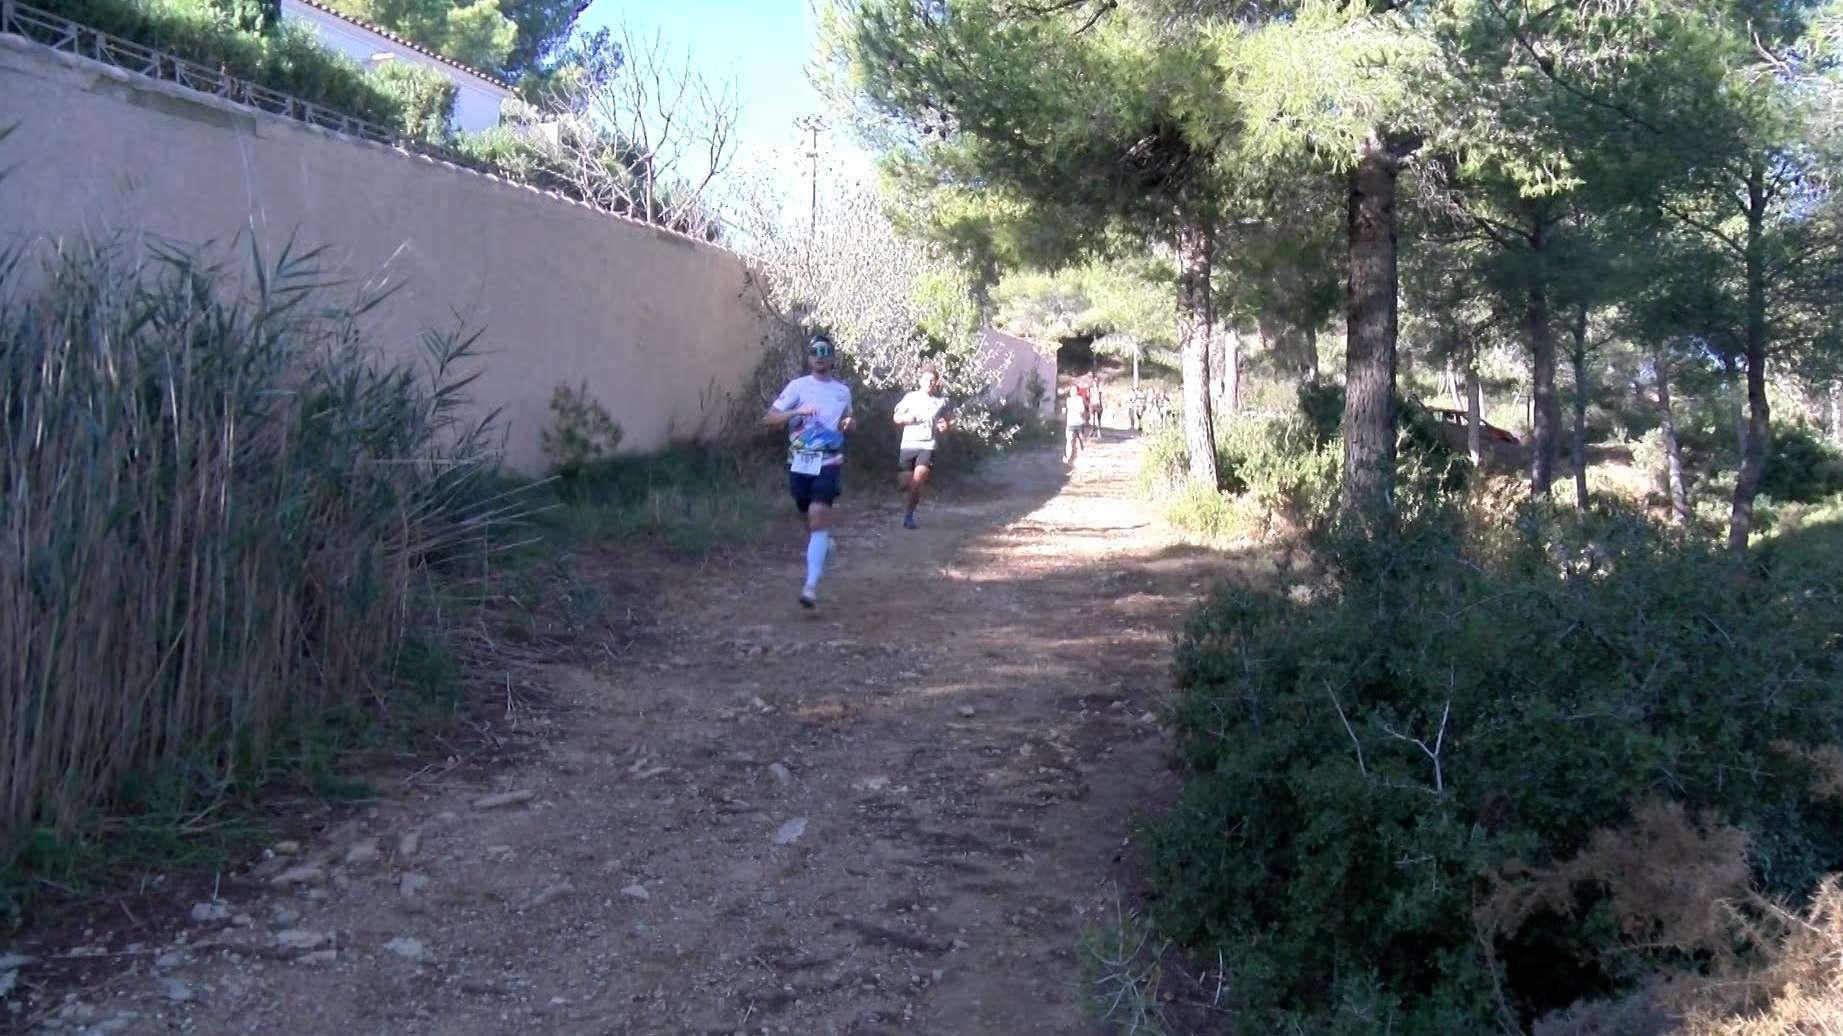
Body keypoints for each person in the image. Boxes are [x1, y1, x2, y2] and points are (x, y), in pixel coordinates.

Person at [763, 334, 854, 609]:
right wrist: (796, 412)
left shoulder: (842, 391)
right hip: (800, 462)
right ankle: (823, 544)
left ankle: (810, 586)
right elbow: (769, 419)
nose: (820, 356)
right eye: (815, 351)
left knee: (817, 516)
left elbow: (849, 417)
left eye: (826, 352)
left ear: (833, 358)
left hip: (829, 462)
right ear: (809, 356)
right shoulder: (797, 387)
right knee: (807, 516)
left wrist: (849, 423)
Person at [892, 363, 951, 530]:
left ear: (937, 383)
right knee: (905, 484)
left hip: (928, 445)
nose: (929, 383)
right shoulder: (910, 397)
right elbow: (896, 418)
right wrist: (906, 419)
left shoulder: (940, 402)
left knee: (917, 482)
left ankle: (909, 515)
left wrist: (944, 426)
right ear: (920, 380)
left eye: (932, 380)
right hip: (909, 444)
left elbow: (946, 421)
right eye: (926, 379)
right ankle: (908, 492)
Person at [1062, 381, 1087, 464]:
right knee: (1069, 440)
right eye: (1072, 390)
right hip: (1070, 423)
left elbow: (1082, 410)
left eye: (1075, 390)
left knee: (1081, 439)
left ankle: (1082, 455)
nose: (1073, 392)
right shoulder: (1068, 400)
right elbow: (1065, 410)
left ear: (1077, 391)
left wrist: (1078, 411)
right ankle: (1068, 458)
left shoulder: (1080, 399)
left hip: (1079, 422)